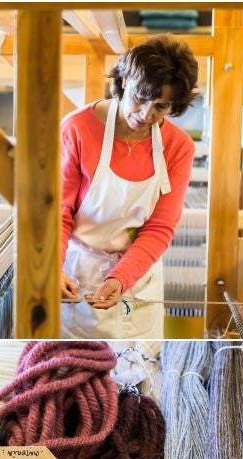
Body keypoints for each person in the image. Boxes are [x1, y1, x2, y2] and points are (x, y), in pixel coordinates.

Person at [59, 34, 197, 338]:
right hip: (78, 271)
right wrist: (51, 270)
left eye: (161, 107)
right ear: (122, 83)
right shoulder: (77, 129)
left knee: (141, 369)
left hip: (138, 277)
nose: (146, 115)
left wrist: (120, 278)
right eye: (140, 98)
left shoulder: (179, 147)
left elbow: (160, 226)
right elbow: (59, 212)